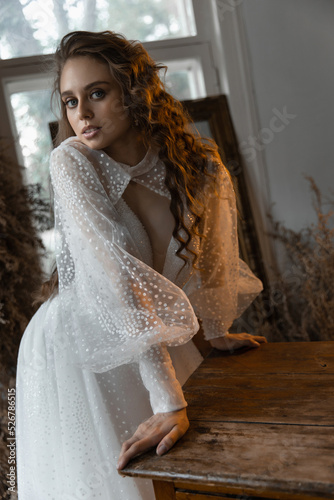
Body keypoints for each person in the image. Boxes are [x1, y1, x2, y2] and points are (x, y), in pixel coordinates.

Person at [15, 30, 266, 499]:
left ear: (134, 90)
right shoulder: (72, 163)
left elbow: (212, 259)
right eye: (70, 101)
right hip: (79, 344)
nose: (82, 115)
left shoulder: (202, 164)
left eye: (97, 93)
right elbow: (119, 285)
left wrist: (214, 330)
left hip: (148, 331)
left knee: (183, 473)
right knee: (119, 483)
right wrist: (169, 401)